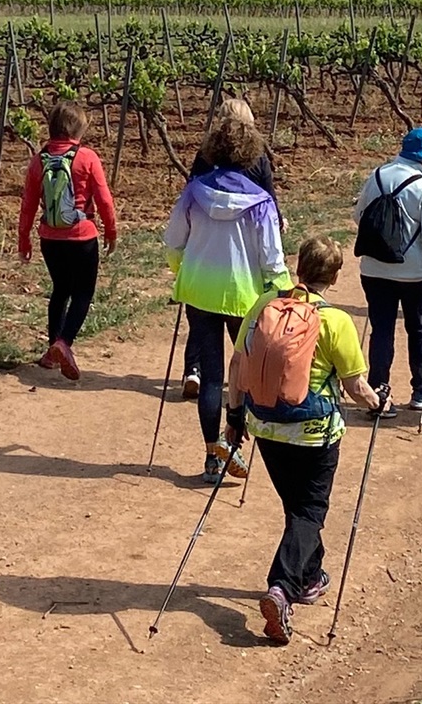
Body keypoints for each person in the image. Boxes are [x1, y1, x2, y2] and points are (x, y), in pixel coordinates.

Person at [224, 235, 383, 645]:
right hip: (315, 433)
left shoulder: (263, 305)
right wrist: (377, 402)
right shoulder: (337, 321)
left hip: (266, 425)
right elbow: (354, 386)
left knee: (296, 508)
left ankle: (312, 576)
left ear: (298, 268)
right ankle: (282, 587)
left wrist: (234, 416)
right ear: (334, 276)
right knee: (310, 511)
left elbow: (239, 363)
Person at [164, 114, 289, 482]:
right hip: (245, 297)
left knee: (212, 374)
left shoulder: (194, 191)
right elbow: (272, 259)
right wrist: (280, 292)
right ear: (251, 153)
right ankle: (236, 437)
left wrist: (181, 270)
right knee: (246, 372)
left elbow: (173, 242)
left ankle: (211, 455)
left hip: (199, 292)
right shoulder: (261, 201)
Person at [182, 99, 282, 401]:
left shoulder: (204, 155)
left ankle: (193, 371)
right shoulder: (258, 159)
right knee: (243, 335)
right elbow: (268, 195)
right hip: (242, 268)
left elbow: (192, 190)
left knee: (200, 325)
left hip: (203, 261)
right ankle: (246, 382)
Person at [353, 127, 422, 418]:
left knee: (381, 330)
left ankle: (378, 393)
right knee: (418, 328)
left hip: (373, 268)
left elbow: (358, 215)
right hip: (413, 272)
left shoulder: (377, 175)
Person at [18, 99, 117, 381]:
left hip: (50, 238)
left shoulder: (39, 160)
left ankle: (52, 351)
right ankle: (64, 342)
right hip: (82, 236)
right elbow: (104, 199)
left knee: (60, 289)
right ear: (78, 130)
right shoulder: (87, 158)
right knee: (83, 293)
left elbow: (28, 204)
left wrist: (23, 240)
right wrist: (111, 231)